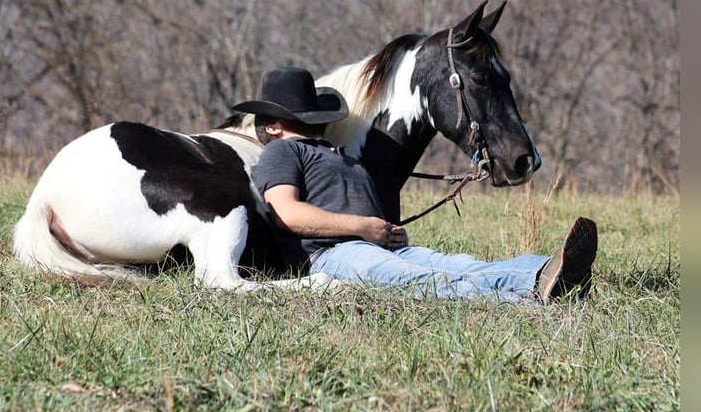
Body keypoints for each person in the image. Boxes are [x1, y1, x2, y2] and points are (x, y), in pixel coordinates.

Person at [232, 67, 598, 303]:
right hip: (332, 255)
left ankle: (545, 271)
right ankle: (530, 297)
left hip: (377, 247)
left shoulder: (337, 154)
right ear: (275, 126)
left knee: (460, 264)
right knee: (425, 281)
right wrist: (364, 227)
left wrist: (387, 232)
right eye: (301, 114)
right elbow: (288, 214)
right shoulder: (281, 152)